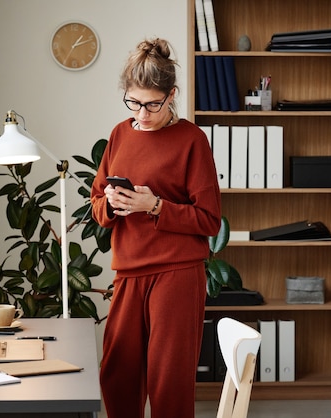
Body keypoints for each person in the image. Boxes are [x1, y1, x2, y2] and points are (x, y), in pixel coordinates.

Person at [90, 38, 221, 418]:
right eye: (134, 102)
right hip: (129, 271)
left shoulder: (192, 141)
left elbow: (209, 219)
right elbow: (97, 206)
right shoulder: (119, 134)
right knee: (117, 375)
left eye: (153, 104)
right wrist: (112, 206)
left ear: (171, 95)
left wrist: (156, 206)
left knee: (168, 383)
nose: (143, 113)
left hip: (177, 273)